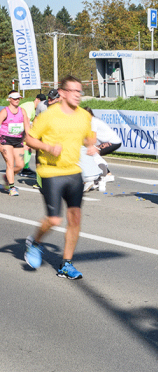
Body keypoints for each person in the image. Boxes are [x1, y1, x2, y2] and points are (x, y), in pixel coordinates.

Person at [23, 76, 97, 279]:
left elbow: (89, 135)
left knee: (75, 218)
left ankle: (66, 264)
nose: (78, 95)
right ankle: (35, 242)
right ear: (62, 93)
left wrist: (91, 143)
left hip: (73, 171)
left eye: (80, 91)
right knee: (54, 219)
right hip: (51, 172)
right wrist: (47, 147)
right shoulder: (48, 115)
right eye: (73, 91)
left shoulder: (84, 116)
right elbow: (29, 138)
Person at [81, 107, 122, 192]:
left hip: (113, 142)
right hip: (113, 141)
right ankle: (107, 173)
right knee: (93, 152)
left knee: (91, 152)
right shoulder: (92, 121)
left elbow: (93, 139)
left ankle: (95, 179)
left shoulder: (93, 122)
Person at [1, 91, 31, 196]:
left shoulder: (22, 111)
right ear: (9, 99)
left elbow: (27, 126)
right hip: (5, 140)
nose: (17, 100)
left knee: (20, 165)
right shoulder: (5, 111)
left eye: (18, 98)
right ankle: (11, 187)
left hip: (18, 140)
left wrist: (28, 140)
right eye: (14, 98)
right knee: (10, 163)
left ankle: (7, 177)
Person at [17, 93, 46, 177]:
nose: (41, 105)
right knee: (27, 146)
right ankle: (24, 168)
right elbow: (27, 121)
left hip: (22, 127)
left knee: (27, 147)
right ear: (36, 100)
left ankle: (25, 167)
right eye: (40, 102)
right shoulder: (29, 106)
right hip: (18, 127)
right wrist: (29, 136)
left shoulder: (35, 108)